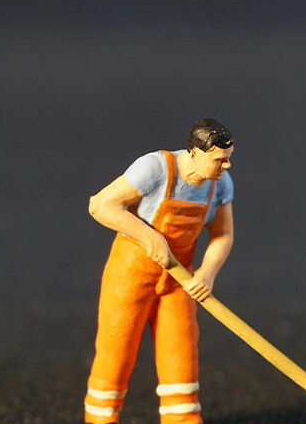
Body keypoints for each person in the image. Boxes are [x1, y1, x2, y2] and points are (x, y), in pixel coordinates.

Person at [83, 118, 235, 424]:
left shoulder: (220, 185)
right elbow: (100, 205)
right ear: (195, 153)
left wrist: (206, 273)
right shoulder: (155, 169)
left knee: (181, 355)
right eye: (220, 159)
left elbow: (223, 235)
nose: (226, 166)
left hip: (179, 282)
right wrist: (149, 235)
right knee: (116, 352)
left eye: (228, 158)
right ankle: (101, 419)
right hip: (129, 277)